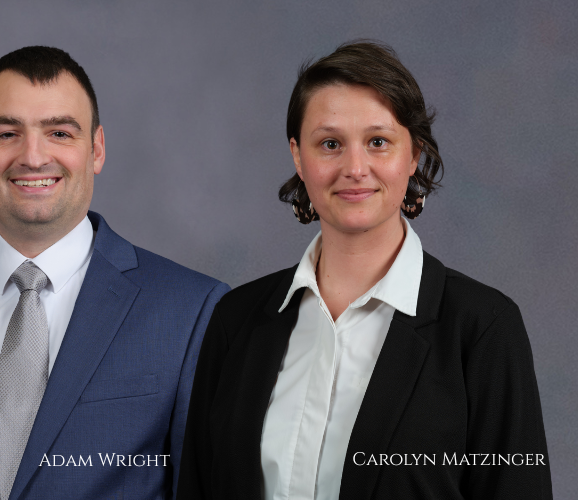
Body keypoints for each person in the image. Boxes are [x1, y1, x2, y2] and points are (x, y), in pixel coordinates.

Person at [178, 41, 551, 499]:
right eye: (330, 144)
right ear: (298, 156)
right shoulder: (235, 321)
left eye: (378, 142)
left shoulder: (482, 328)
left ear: (413, 153)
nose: (355, 168)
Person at [0, 46, 230, 500]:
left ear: (96, 149)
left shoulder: (191, 311)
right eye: (7, 133)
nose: (32, 156)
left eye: (60, 132)